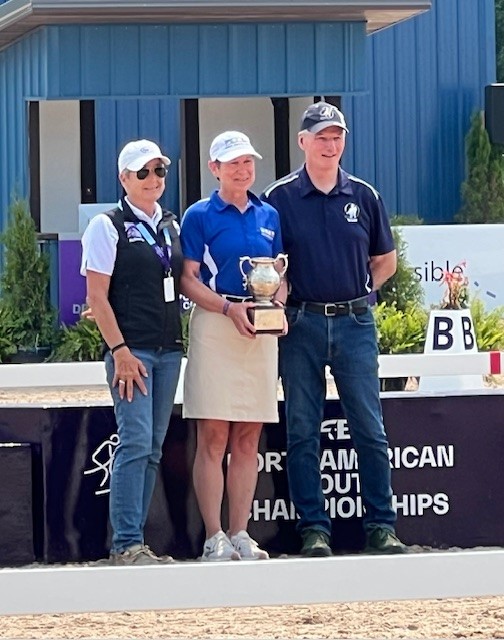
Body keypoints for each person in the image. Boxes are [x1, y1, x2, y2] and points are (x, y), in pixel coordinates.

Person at [262, 101, 407, 557]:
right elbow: (270, 266)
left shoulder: (364, 195)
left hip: (355, 325)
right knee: (303, 430)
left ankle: (381, 526)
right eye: (321, 137)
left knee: (369, 429)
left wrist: (362, 292)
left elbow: (385, 260)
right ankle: (314, 530)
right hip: (300, 325)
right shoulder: (279, 198)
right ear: (302, 142)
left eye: (336, 137)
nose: (330, 145)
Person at [180, 131, 287, 561]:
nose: (242, 170)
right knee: (213, 436)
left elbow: (278, 272)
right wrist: (227, 309)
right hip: (216, 322)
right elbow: (188, 278)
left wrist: (278, 306)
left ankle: (241, 532)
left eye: (247, 162)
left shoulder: (269, 214)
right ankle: (214, 536)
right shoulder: (199, 215)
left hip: (258, 328)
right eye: (233, 163)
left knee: (248, 437)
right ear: (215, 169)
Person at [80, 139, 184, 565]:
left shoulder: (170, 224)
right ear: (124, 178)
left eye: (159, 170)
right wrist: (119, 350)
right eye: (143, 172)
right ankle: (125, 542)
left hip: (169, 350)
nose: (153, 179)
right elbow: (97, 297)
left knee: (153, 447)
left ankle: (136, 543)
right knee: (136, 442)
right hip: (133, 352)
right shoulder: (107, 225)